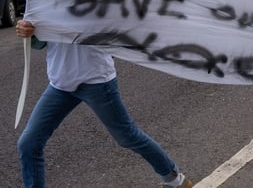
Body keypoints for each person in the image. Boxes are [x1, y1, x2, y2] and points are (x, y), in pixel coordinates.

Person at [14, 20, 192, 188]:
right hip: (61, 83)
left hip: (96, 80)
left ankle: (174, 179)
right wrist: (28, 31)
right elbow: (39, 42)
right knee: (28, 144)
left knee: (127, 136)